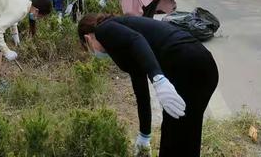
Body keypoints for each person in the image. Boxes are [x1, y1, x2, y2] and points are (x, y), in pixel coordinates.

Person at [78, 13, 219, 157]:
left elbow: (136, 39)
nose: (93, 53)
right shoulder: (122, 44)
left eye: (88, 48)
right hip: (204, 63)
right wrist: (144, 135)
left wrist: (158, 78)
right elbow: (141, 92)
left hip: (186, 64)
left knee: (174, 137)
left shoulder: (104, 30)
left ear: (87, 38)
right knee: (188, 133)